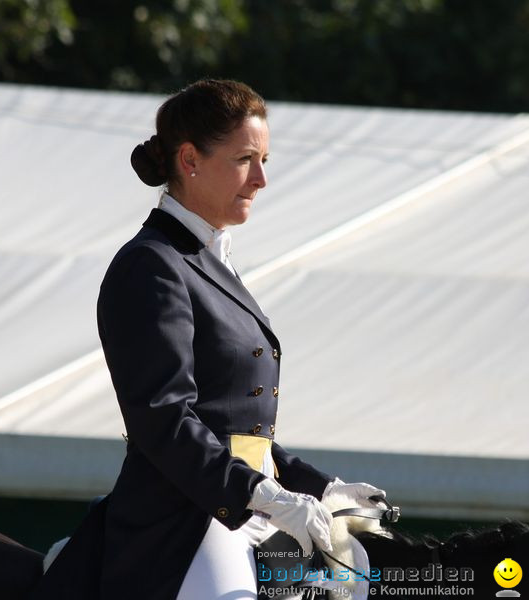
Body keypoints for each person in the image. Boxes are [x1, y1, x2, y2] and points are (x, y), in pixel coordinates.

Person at [31, 79, 384, 600]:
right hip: (187, 519)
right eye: (246, 159)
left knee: (356, 576)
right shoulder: (152, 266)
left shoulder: (212, 262)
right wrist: (263, 495)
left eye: (265, 159)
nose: (261, 179)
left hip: (249, 505)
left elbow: (236, 425)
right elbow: (164, 419)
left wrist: (317, 485)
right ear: (191, 159)